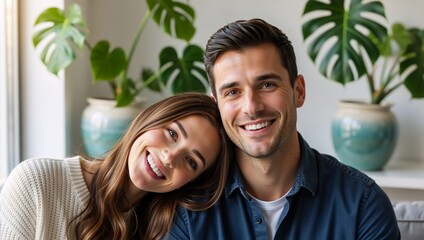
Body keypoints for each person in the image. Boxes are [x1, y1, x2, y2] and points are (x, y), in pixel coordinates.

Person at [168, 18, 400, 239]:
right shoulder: (188, 210)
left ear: (298, 91)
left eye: (267, 84)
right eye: (232, 92)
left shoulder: (364, 204)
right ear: (217, 106)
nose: (251, 107)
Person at [0, 92, 233, 240]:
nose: (170, 157)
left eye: (191, 161)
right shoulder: (36, 183)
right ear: (149, 118)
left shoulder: (167, 231)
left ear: (192, 181)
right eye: (172, 133)